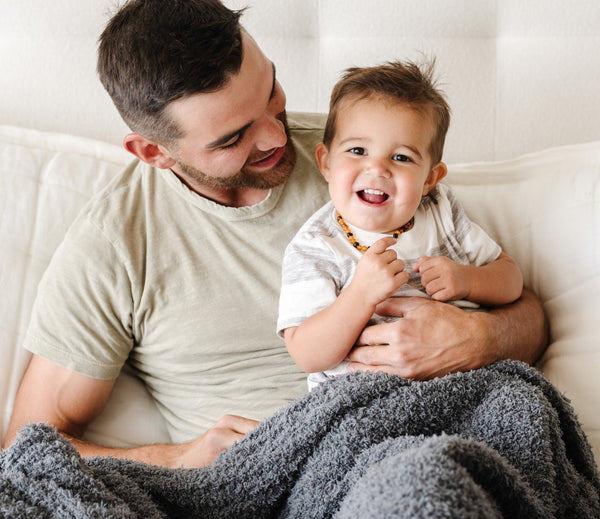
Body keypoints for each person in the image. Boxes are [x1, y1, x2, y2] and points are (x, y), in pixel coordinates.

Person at [3, 0, 547, 468]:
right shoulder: (115, 242)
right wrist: (180, 458)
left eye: (271, 93)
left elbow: (531, 316)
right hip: (278, 486)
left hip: (429, 441)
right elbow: (26, 448)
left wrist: (475, 341)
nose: (273, 135)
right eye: (233, 136)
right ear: (153, 152)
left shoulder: (366, 158)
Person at [278, 61, 524, 389]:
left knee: (526, 403)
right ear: (325, 162)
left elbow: (511, 281)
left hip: (460, 384)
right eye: (357, 150)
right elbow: (308, 355)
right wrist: (359, 296)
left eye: (402, 157)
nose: (377, 168)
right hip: (362, 398)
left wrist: (468, 279)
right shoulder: (316, 246)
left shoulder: (440, 211)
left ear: (430, 179)